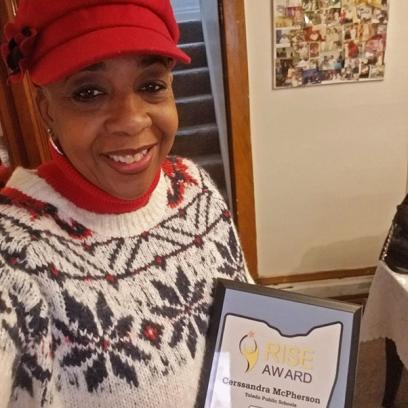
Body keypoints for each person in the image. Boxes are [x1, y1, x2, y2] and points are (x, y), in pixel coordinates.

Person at [0, 1, 251, 407]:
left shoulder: (193, 187)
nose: (132, 120)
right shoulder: (15, 250)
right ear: (48, 112)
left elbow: (249, 325)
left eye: (151, 85)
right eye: (88, 93)